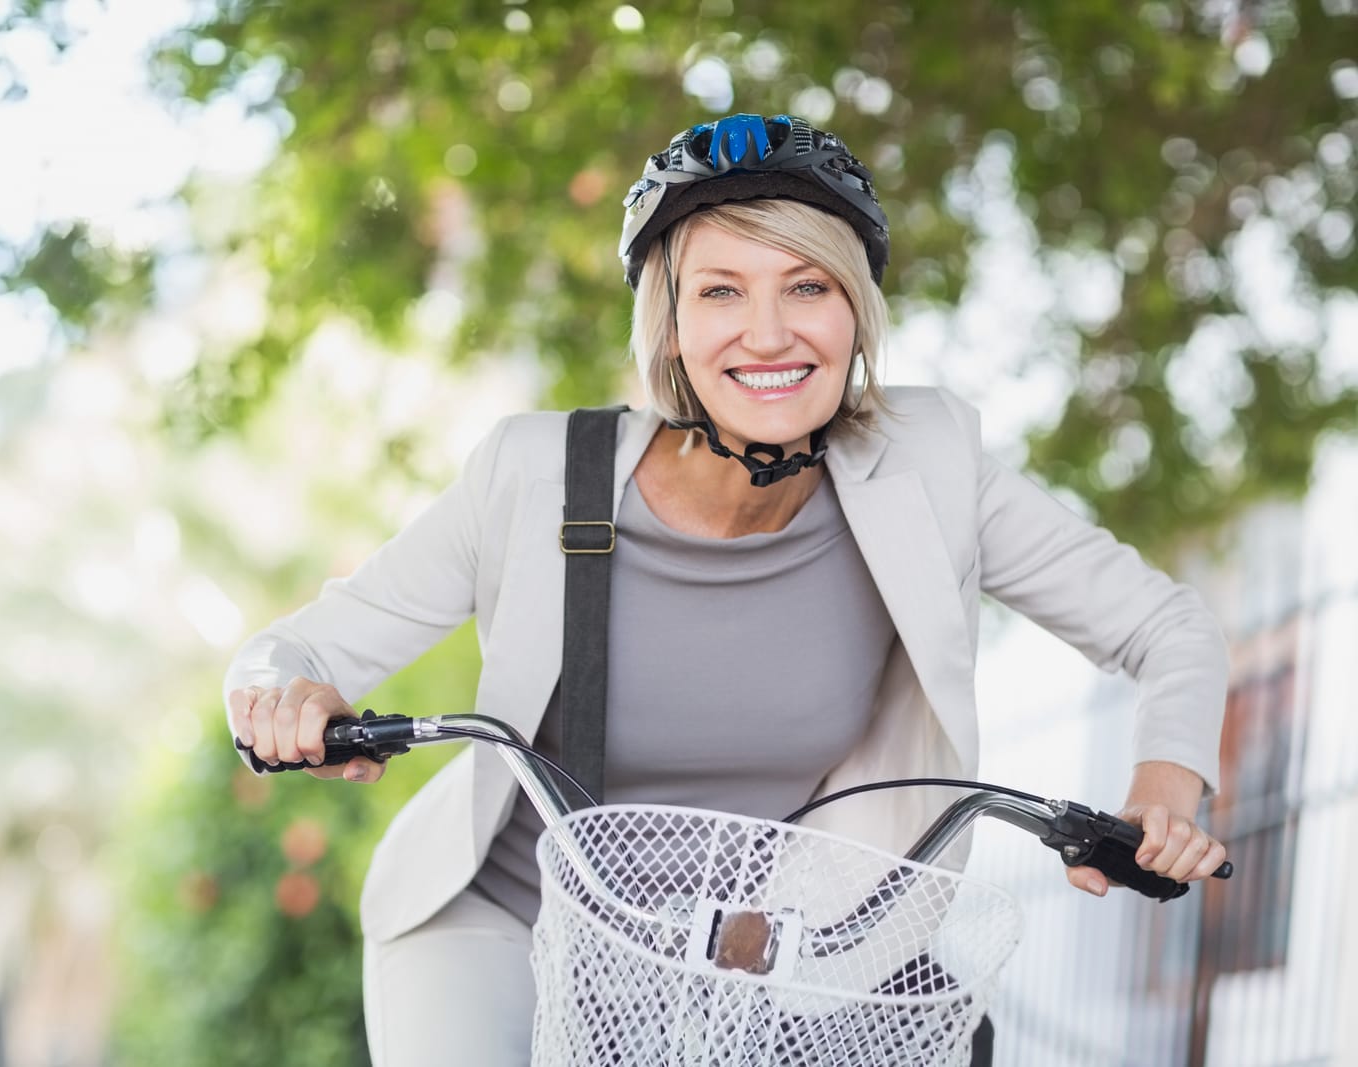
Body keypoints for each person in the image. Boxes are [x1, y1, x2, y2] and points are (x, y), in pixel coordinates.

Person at [223, 113, 1230, 1066]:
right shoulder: (535, 474)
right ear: (666, 324)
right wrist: (287, 697)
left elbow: (1166, 624)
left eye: (807, 287)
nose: (767, 333)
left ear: (854, 312)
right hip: (506, 914)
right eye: (719, 291)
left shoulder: (929, 464)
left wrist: (1163, 782)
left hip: (762, 952)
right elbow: (291, 653)